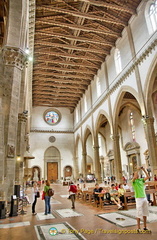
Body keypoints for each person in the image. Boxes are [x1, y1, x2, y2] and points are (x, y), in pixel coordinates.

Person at [132, 167, 150, 232]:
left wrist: (143, 169)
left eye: (138, 174)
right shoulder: (134, 181)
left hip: (144, 197)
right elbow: (134, 177)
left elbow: (148, 176)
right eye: (136, 174)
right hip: (138, 198)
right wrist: (137, 170)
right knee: (139, 213)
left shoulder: (141, 180)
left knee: (145, 212)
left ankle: (145, 226)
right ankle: (138, 227)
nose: (137, 175)